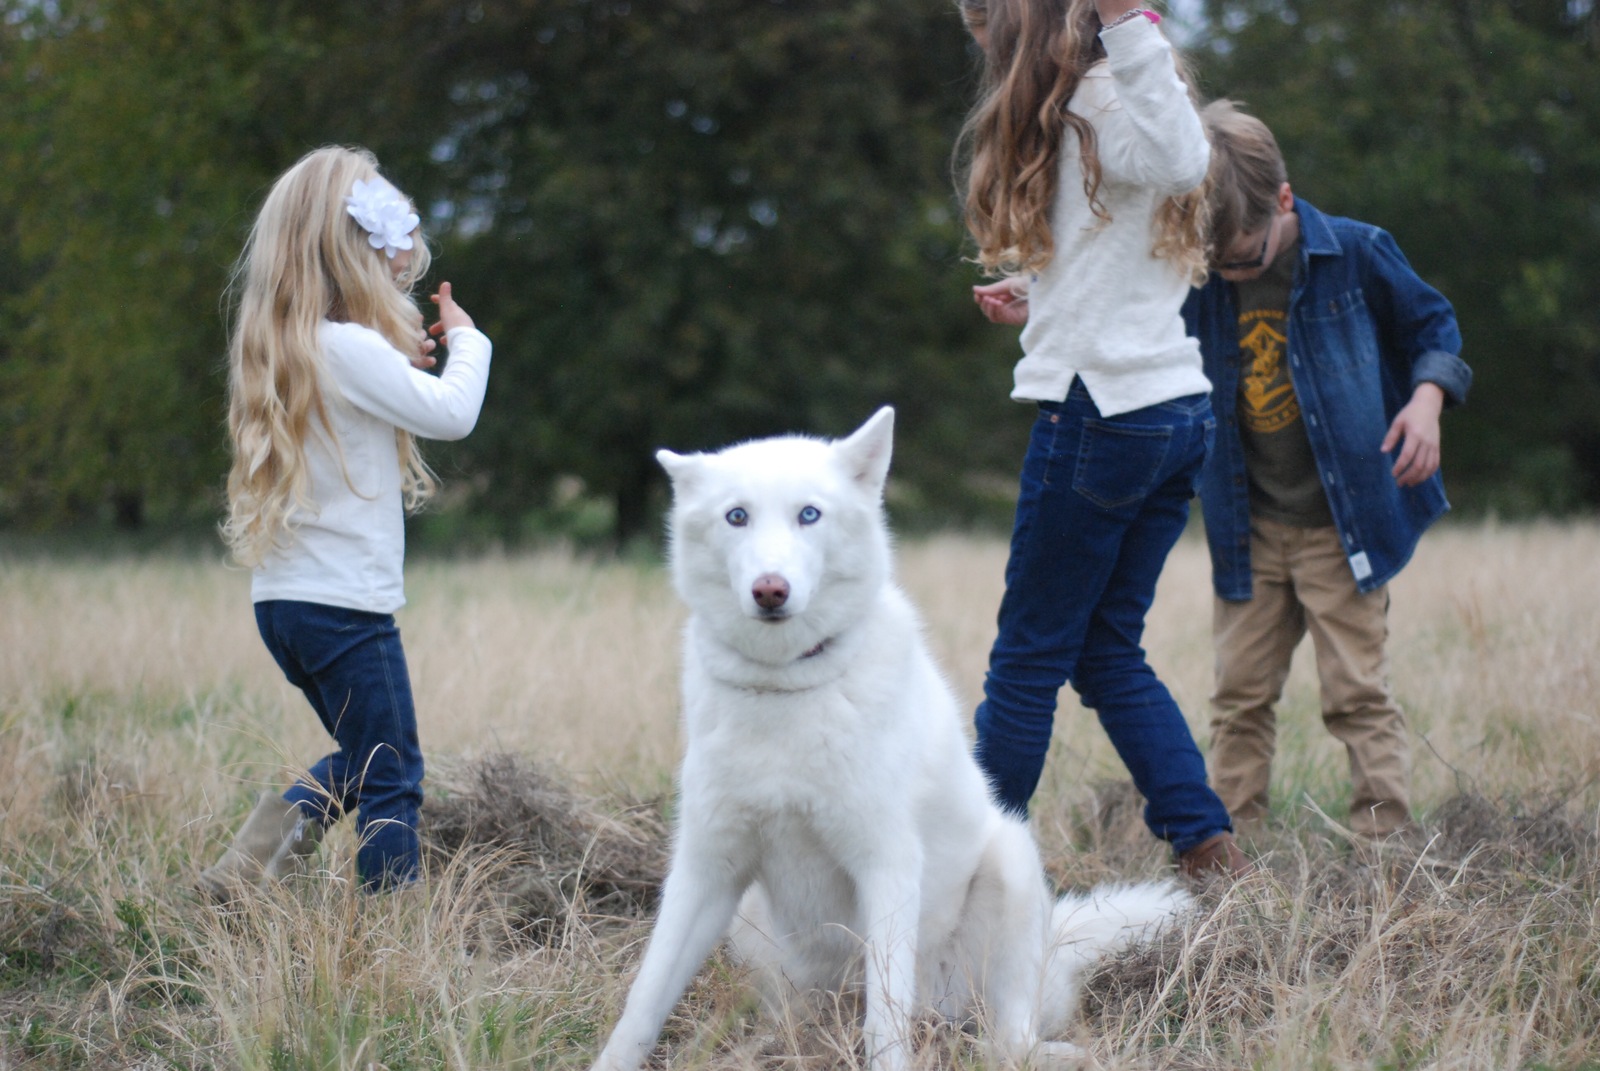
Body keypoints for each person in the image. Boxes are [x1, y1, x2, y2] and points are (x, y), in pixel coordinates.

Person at [956, 0, 1247, 878]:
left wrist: (1127, 18)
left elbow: (1181, 155)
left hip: (1101, 416)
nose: (983, 49)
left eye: (983, 29)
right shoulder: (1094, 101)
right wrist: (1042, 296)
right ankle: (1207, 847)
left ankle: (972, 869)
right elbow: (1120, 252)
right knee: (1103, 649)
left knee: (1027, 657)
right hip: (1165, 410)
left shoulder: (1107, 93)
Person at [198, 146, 493, 897]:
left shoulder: (299, 349)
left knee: (366, 756)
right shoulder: (349, 348)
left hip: (288, 603)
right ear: (355, 256)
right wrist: (468, 342)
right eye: (394, 264)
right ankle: (393, 926)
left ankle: (247, 871)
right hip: (346, 609)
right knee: (393, 773)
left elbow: (387, 397)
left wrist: (406, 362)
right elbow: (454, 414)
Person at [1184, 100, 1469, 840]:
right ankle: (1229, 850)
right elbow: (1120, 312)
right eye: (1218, 265)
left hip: (1346, 529)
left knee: (1356, 694)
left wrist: (1427, 403)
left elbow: (1434, 326)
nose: (1232, 273)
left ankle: (1385, 850)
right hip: (1248, 527)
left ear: (1284, 199)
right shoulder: (1198, 274)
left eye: (1245, 258)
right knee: (1238, 696)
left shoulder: (1358, 251)